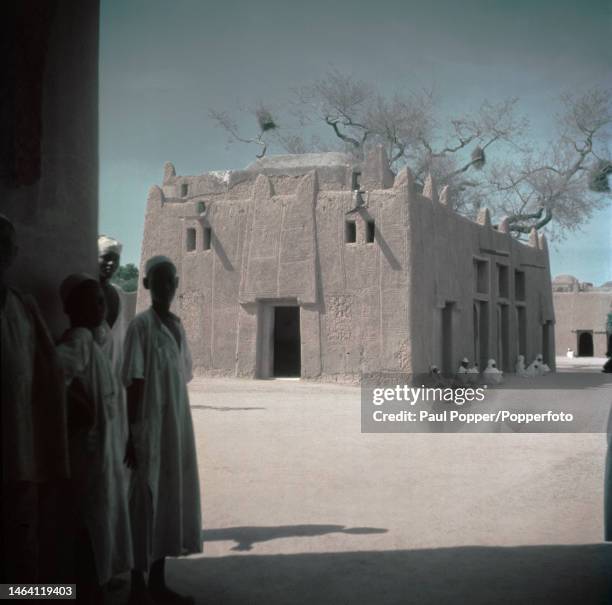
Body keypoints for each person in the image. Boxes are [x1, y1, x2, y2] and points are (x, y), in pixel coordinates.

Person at [122, 256, 201, 605]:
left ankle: (158, 581)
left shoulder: (177, 326)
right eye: (158, 281)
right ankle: (137, 584)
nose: (165, 287)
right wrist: (132, 432)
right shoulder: (140, 327)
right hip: (148, 425)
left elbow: (181, 377)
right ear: (146, 285)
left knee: (168, 496)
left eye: (170, 281)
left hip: (174, 426)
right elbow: (134, 382)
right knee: (144, 502)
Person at [0, 214, 70, 582]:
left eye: (5, 245)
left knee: (22, 543)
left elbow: (50, 377)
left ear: (12, 254)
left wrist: (53, 451)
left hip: (20, 451)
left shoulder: (24, 308)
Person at [56, 274, 133, 602]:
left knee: (102, 522)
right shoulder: (79, 341)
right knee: (91, 525)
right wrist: (75, 403)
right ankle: (87, 591)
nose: (101, 306)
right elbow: (51, 372)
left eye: (102, 300)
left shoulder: (95, 340)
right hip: (90, 454)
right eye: (94, 300)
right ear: (72, 307)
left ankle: (96, 586)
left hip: (104, 453)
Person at [97, 235, 130, 443]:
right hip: (94, 381)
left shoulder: (118, 294)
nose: (111, 264)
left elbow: (121, 338)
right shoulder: (86, 294)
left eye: (115, 260)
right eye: (106, 258)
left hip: (117, 382)